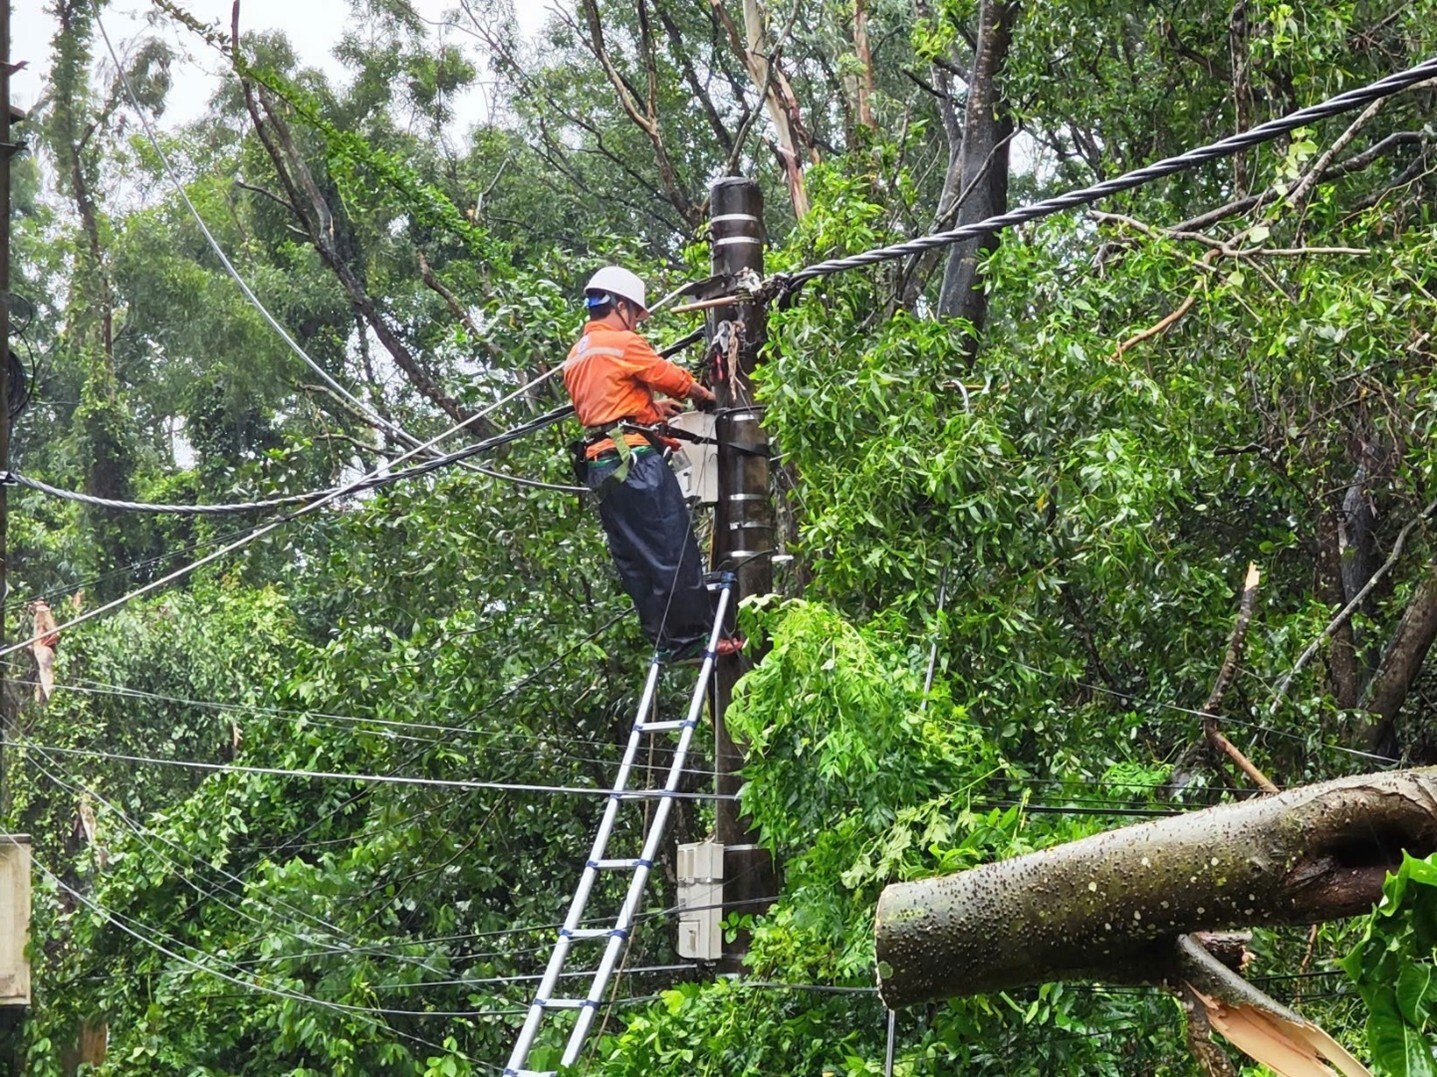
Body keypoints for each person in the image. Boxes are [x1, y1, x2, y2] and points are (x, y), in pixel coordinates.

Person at [563, 266, 743, 658]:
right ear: (622, 306)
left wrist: (650, 410)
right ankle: (695, 638)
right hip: (635, 463)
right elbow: (669, 376)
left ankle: (667, 641)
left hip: (601, 469)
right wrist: (705, 396)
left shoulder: (578, 353)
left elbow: (604, 405)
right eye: (636, 315)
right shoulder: (623, 343)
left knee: (636, 559)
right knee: (671, 546)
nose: (636, 324)